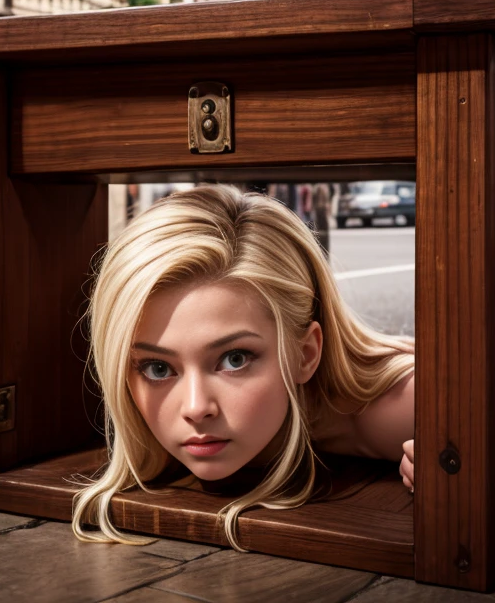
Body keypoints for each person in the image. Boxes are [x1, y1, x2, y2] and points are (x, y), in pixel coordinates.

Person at [72, 185, 415, 550]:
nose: (195, 408)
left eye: (234, 360)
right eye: (158, 368)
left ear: (306, 354)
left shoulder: (399, 406)